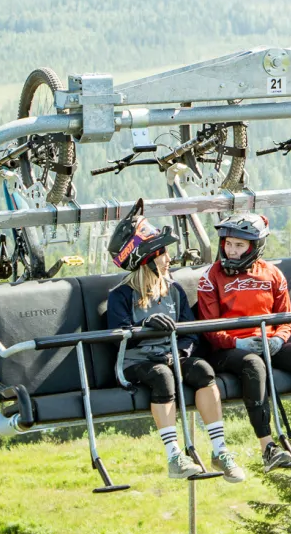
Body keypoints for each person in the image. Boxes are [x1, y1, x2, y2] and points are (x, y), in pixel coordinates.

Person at [105, 199, 246, 483]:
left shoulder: (175, 291)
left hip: (170, 357)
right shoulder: (120, 296)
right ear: (148, 259)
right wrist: (144, 327)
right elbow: (120, 337)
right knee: (162, 377)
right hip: (137, 362)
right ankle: (173, 456)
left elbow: (190, 332)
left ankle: (219, 449)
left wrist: (181, 351)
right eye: (163, 254)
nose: (169, 259)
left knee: (203, 371)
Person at [197, 213, 291, 472]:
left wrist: (279, 339)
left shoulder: (272, 275)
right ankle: (267, 447)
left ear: (254, 247)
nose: (231, 251)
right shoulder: (211, 278)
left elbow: (285, 318)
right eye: (228, 244)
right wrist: (239, 343)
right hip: (228, 350)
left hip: (267, 342)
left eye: (239, 245)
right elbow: (209, 330)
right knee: (254, 365)